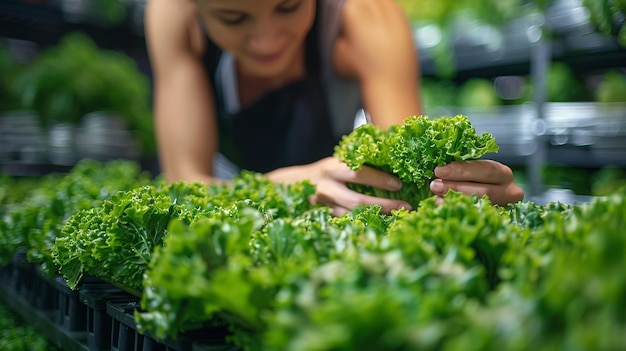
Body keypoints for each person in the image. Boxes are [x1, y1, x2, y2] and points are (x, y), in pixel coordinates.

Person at [144, 0, 524, 216]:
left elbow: (411, 180)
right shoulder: (173, 14)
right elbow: (184, 184)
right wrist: (277, 189)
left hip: (331, 212)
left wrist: (454, 188)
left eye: (289, 6)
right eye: (232, 18)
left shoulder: (365, 15)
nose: (266, 39)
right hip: (226, 199)